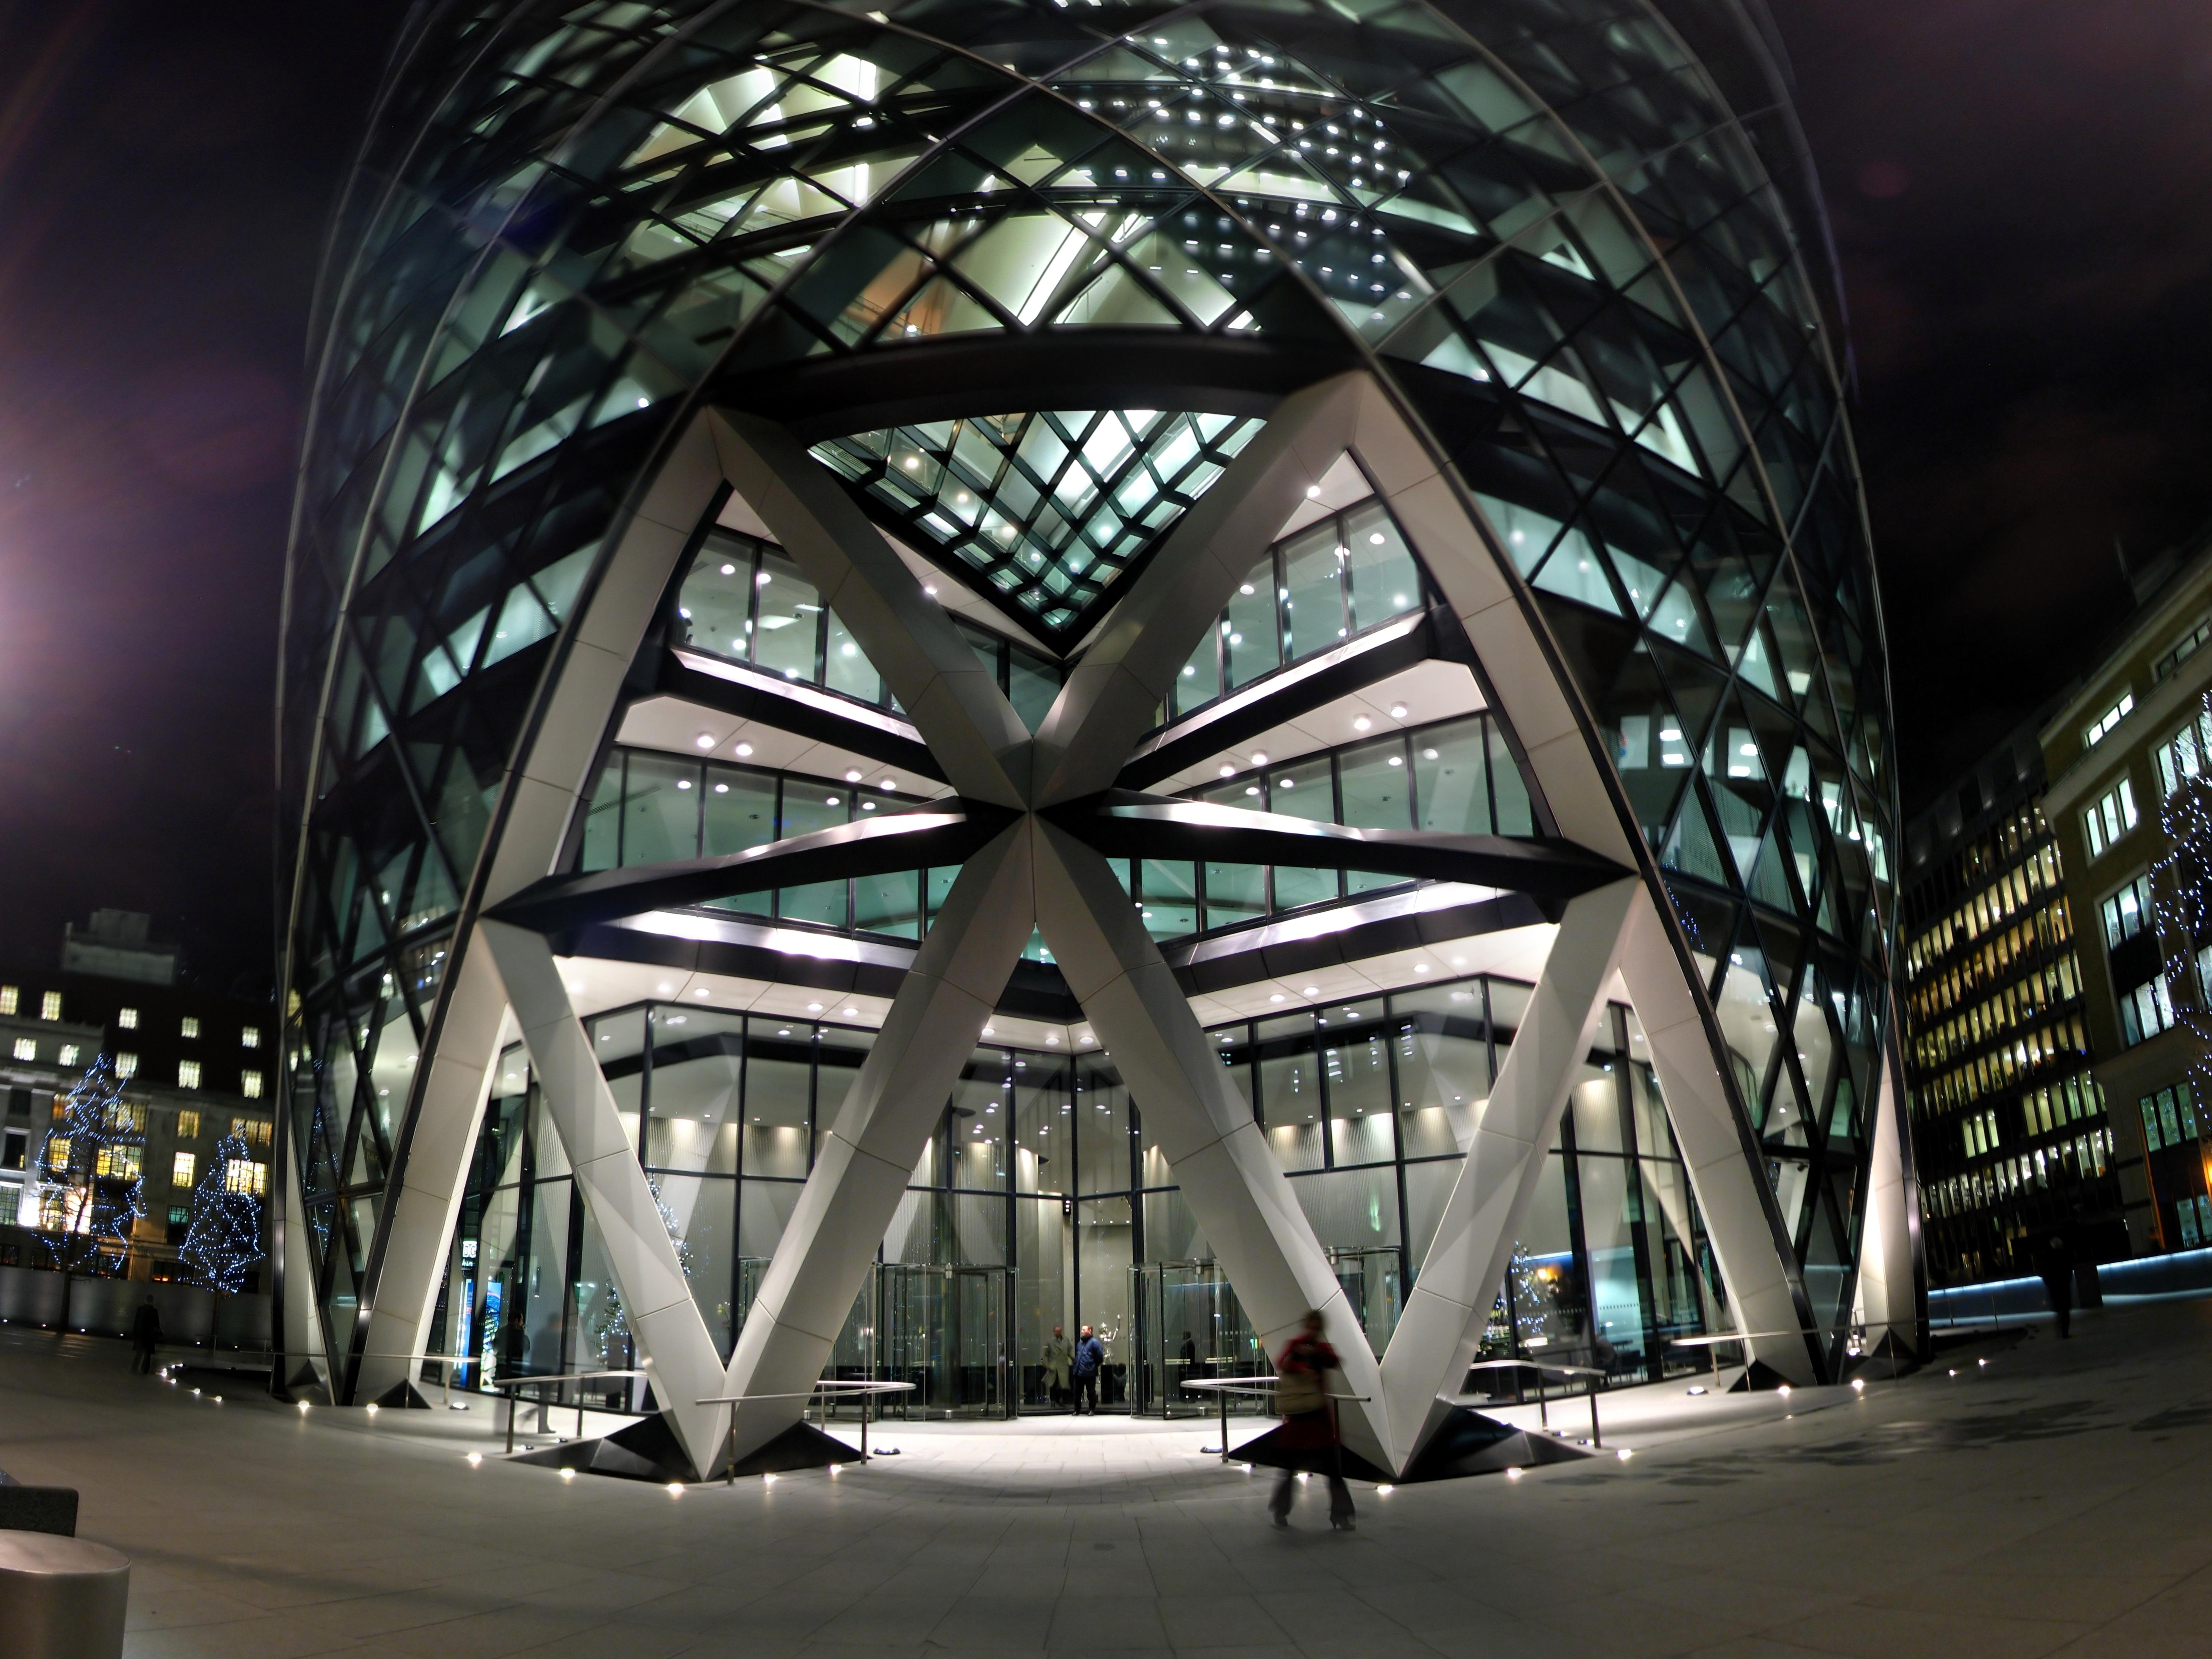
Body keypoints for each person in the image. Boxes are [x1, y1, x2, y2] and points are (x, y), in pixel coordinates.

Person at [1269, 1310, 1354, 1531]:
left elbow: (1334, 1361)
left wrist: (1315, 1356)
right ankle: (1282, 1511)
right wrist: (1303, 1365)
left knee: (1332, 1471)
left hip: (1316, 1417)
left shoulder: (1319, 1348)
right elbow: (1283, 1363)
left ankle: (1341, 1515)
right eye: (1312, 1327)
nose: (1314, 1332)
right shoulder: (1298, 1345)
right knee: (1291, 1468)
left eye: (1317, 1328)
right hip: (1303, 1416)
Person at [2036, 1231, 2078, 1339]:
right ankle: (2065, 1332)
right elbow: (2070, 1269)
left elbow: (2043, 1273)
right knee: (2065, 1311)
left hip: (2054, 1288)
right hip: (2064, 1287)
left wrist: (2049, 1283)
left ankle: (2061, 1332)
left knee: (2059, 1311)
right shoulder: (2065, 1256)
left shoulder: (2048, 1258)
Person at [1072, 1324, 1104, 1415]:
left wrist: (1093, 1365)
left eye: (1084, 1330)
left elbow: (1099, 1357)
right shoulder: (1080, 1343)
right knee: (1077, 1393)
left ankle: (1092, 1410)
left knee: (1091, 1392)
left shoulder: (1095, 1342)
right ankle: (1077, 1410)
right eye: (1082, 1330)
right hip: (1079, 1371)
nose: (1082, 1331)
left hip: (1089, 1372)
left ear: (1090, 1331)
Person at [129, 1294, 162, 1376]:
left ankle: (135, 1368)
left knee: (139, 1353)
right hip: (150, 1336)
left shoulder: (140, 1310)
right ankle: (145, 1370)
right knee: (148, 1355)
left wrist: (135, 1333)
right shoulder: (154, 1312)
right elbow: (157, 1324)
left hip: (141, 1335)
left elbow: (136, 1323)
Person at [1044, 1324, 1074, 1408]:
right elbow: (1045, 1354)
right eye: (1057, 1331)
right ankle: (1053, 1401)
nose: (1058, 1333)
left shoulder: (1066, 1341)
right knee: (1053, 1384)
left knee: (1063, 1384)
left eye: (1059, 1331)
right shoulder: (1050, 1342)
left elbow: (1070, 1351)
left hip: (1064, 1366)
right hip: (1054, 1366)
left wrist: (1073, 1359)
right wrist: (1046, 1364)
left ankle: (1060, 1400)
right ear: (1054, 1332)